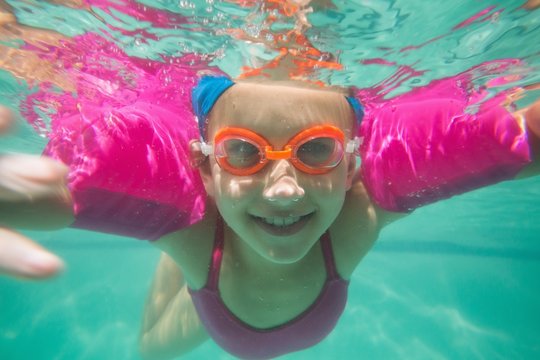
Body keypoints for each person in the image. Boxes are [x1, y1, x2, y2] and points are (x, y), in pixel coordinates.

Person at [1, 2, 540, 360]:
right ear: (206, 166)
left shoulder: (360, 212)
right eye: (242, 152)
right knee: (150, 349)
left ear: (350, 166)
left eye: (317, 151)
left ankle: (186, 236)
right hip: (212, 283)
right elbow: (58, 195)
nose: (285, 188)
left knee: (185, 226)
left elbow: (523, 142)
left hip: (212, 232)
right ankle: (182, 247)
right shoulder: (199, 226)